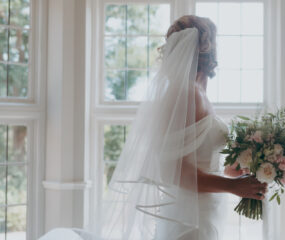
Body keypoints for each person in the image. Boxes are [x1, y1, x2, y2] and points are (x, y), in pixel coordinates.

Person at [40, 15, 267, 240]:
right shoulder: (188, 95)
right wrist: (232, 187)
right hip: (190, 217)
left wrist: (237, 172)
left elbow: (200, 160)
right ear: (208, 50)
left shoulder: (197, 93)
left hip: (206, 211)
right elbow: (173, 171)